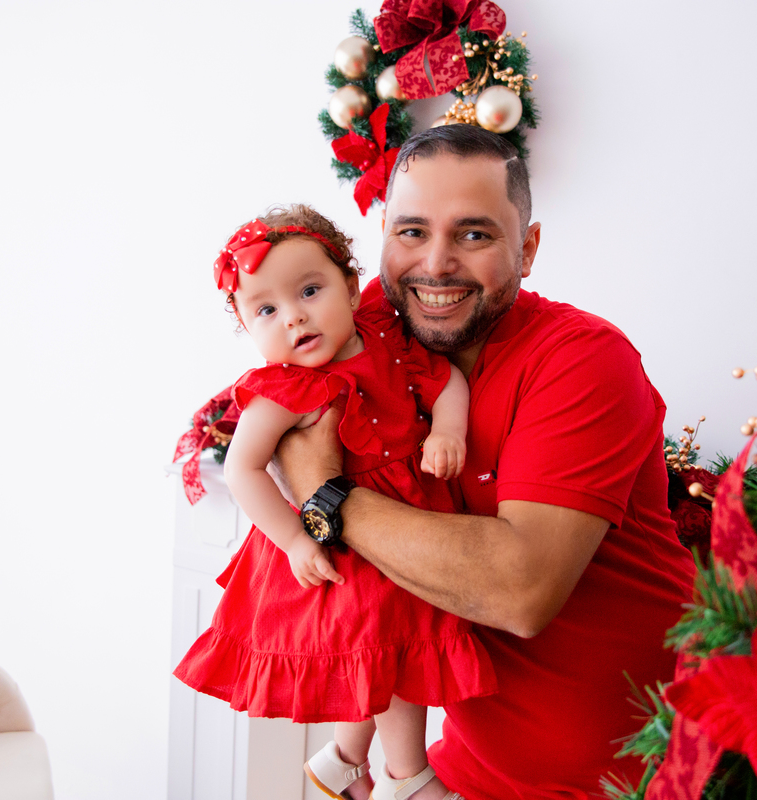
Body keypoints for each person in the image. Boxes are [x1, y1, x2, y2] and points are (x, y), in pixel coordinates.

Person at [271, 126, 696, 799]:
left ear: (526, 248)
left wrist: (327, 497)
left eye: (474, 235)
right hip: (465, 770)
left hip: (633, 779)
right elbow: (267, 409)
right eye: (411, 232)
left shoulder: (582, 360)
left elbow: (519, 591)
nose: (435, 265)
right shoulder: (366, 328)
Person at [173, 204, 495, 800]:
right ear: (247, 328)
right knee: (394, 657)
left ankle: (344, 762)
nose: (294, 318)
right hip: (344, 540)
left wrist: (449, 430)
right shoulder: (283, 390)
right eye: (266, 310)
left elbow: (446, 378)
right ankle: (407, 776)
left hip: (405, 521)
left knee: (380, 660)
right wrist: (294, 540)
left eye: (310, 291)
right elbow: (243, 469)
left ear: (351, 287)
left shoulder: (386, 339)